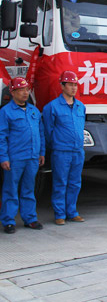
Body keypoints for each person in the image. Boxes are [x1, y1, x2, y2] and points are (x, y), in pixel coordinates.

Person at [0, 78, 45, 234]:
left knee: (29, 188)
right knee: (10, 189)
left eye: (26, 90)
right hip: (15, 157)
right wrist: (3, 157)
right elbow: (1, 136)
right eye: (21, 90)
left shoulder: (34, 111)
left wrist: (41, 152)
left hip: (32, 157)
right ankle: (8, 221)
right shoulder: (6, 112)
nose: (25, 93)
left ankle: (30, 218)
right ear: (12, 93)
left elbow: (41, 133)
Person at [42, 71, 86, 225]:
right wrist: (57, 144)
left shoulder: (80, 107)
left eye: (75, 85)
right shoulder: (52, 107)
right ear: (62, 86)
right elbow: (48, 131)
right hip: (61, 151)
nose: (73, 88)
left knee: (75, 182)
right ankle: (59, 214)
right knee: (60, 182)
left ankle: (72, 212)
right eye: (70, 85)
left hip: (77, 151)